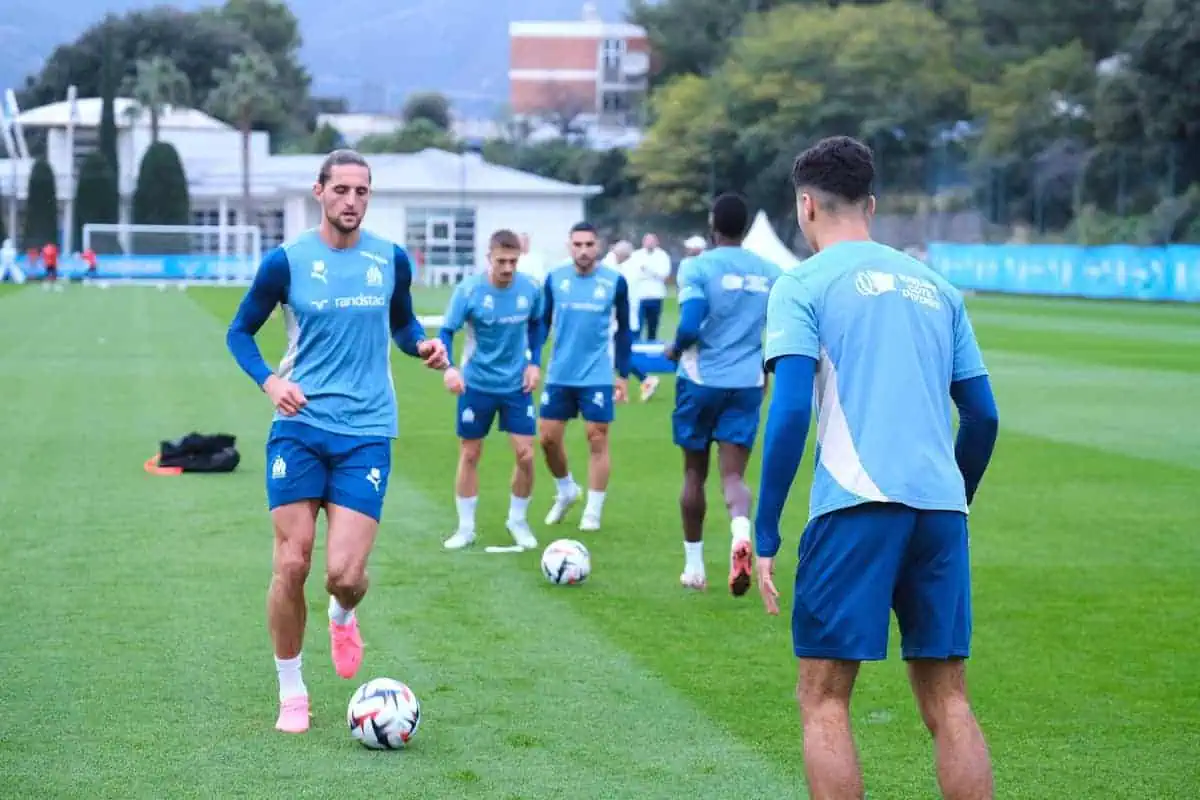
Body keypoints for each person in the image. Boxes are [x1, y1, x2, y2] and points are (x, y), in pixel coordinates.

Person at [753, 136, 999, 800]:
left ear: (806, 206)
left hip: (854, 506)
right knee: (949, 700)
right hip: (939, 511)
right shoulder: (937, 288)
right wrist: (956, 497)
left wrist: (766, 530)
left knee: (824, 699)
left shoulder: (801, 283)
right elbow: (982, 417)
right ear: (872, 204)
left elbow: (789, 414)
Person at [225, 149, 449, 735]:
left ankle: (343, 615)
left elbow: (403, 323)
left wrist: (422, 345)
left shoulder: (390, 259)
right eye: (342, 189)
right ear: (319, 191)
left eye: (362, 191)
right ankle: (292, 690)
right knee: (292, 561)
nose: (352, 200)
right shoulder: (287, 261)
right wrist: (271, 382)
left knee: (344, 575)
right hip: (299, 427)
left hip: (367, 431)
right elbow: (239, 331)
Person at [665, 193, 781, 595]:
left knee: (693, 473)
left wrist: (675, 349)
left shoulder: (697, 266)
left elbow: (690, 323)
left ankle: (694, 568)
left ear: (713, 225)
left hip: (700, 381)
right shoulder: (770, 272)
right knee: (733, 476)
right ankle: (740, 534)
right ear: (745, 227)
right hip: (747, 381)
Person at [438, 229, 545, 551]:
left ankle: (517, 520)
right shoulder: (469, 290)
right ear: (489, 258)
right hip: (476, 384)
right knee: (470, 453)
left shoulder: (530, 289)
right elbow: (446, 331)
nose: (508, 268)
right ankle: (466, 528)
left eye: (513, 261)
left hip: (516, 385)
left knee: (526, 454)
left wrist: (534, 362)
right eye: (502, 261)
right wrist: (449, 368)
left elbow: (537, 324)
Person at [539, 222, 633, 531]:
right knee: (547, 439)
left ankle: (593, 510)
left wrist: (622, 374)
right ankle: (566, 489)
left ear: (598, 246)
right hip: (560, 372)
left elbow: (624, 331)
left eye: (589, 244)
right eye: (577, 244)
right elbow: (542, 324)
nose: (583, 250)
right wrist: (530, 361)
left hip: (597, 373)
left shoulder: (615, 282)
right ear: (569, 246)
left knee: (597, 437)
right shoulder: (555, 279)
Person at [604, 239, 659, 402]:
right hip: (621, 318)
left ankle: (628, 389)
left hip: (620, 319)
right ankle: (642, 382)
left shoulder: (620, 267)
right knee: (620, 356)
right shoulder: (616, 265)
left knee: (619, 356)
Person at [629, 233, 671, 340]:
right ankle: (635, 345)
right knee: (637, 325)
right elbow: (634, 273)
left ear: (657, 242)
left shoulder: (662, 256)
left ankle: (651, 346)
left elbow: (664, 274)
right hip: (639, 295)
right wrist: (651, 273)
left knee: (653, 326)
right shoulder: (636, 255)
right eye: (647, 241)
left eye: (652, 241)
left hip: (656, 295)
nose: (649, 243)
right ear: (643, 242)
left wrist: (648, 270)